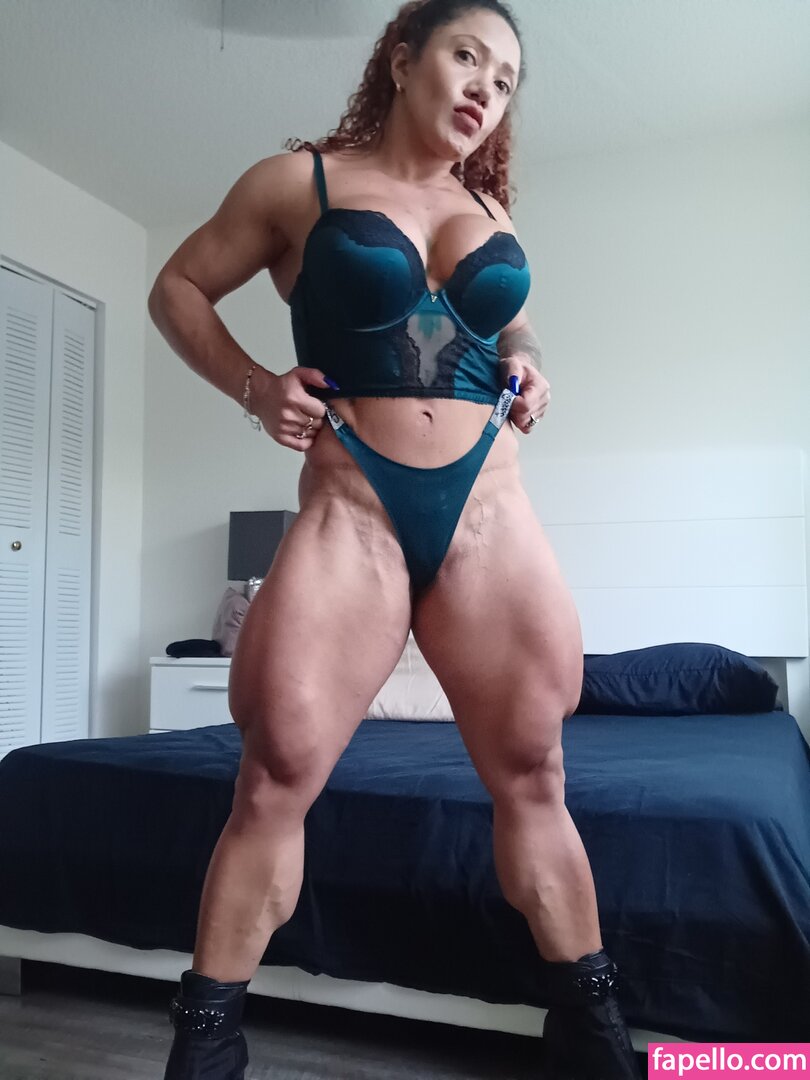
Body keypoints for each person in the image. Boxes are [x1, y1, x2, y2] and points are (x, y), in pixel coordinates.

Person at [148, 1, 643, 1077]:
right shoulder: (300, 184)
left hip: (489, 507)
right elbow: (177, 286)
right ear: (404, 58)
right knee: (276, 771)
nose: (486, 89)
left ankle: (594, 1034)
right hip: (351, 505)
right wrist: (254, 386)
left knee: (535, 770)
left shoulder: (491, 212)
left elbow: (510, 320)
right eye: (469, 57)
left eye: (506, 81)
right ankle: (208, 1046)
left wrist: (530, 359)